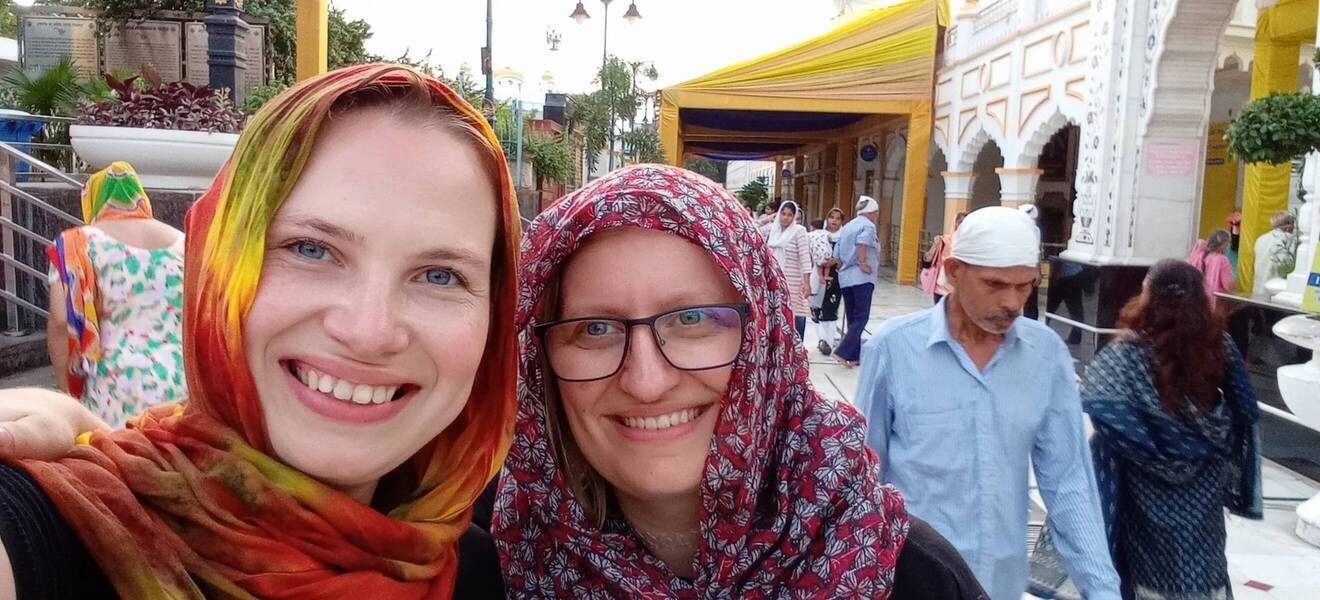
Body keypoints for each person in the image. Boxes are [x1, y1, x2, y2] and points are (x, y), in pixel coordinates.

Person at [0, 64, 518, 599]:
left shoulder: (465, 566)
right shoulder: (64, 532)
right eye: (310, 249)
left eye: (440, 275)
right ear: (218, 265)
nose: (370, 331)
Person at [495, 165, 911, 596]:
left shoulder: (911, 574)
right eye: (595, 329)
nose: (646, 383)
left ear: (764, 339)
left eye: (692, 318)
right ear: (540, 360)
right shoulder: (484, 562)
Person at [855, 206, 1121, 600]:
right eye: (995, 284)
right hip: (911, 581)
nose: (1013, 302)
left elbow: (1068, 482)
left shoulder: (1045, 354)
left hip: (999, 584)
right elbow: (862, 477)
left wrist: (1102, 591)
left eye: (1025, 286)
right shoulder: (894, 349)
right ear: (953, 271)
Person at [1076, 259, 1261, 600]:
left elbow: (1098, 405)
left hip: (1143, 481)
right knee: (1202, 556)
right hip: (1205, 479)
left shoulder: (1127, 352)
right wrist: (1215, 435)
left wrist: (1136, 439)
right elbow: (1246, 409)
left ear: (1148, 295)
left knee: (1149, 562)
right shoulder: (1219, 344)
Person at [45, 162, 186, 428]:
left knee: (117, 465)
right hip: (181, 384)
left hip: (114, 387)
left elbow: (61, 322)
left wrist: (68, 395)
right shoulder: (185, 243)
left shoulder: (76, 244)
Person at [833, 195, 881, 367]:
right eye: (876, 213)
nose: (876, 216)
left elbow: (837, 251)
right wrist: (862, 262)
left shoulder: (848, 226)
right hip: (862, 278)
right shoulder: (868, 225)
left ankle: (853, 357)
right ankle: (841, 351)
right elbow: (863, 243)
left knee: (853, 318)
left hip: (846, 278)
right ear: (872, 213)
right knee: (861, 317)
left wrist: (841, 265)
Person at [761, 200, 813, 341]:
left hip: (793, 282)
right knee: (776, 315)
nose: (786, 217)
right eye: (783, 214)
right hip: (774, 281)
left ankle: (798, 348)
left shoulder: (799, 231)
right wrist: (767, 219)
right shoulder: (772, 230)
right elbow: (751, 227)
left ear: (794, 217)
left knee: (796, 314)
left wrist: (806, 282)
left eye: (790, 215)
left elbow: (805, 258)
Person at [808, 208, 845, 355]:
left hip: (835, 277)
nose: (834, 221)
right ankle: (821, 339)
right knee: (816, 307)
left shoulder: (843, 238)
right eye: (831, 217)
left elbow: (847, 256)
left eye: (838, 218)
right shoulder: (818, 236)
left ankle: (829, 341)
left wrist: (835, 261)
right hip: (817, 275)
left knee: (831, 307)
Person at [925, 212, 967, 305]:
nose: (962, 225)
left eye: (965, 222)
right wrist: (935, 246)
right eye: (960, 222)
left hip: (962, 291)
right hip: (942, 288)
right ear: (955, 224)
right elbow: (926, 262)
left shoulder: (971, 245)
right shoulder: (943, 240)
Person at [1252, 210, 1296, 296]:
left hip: (1258, 289)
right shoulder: (1291, 240)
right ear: (1289, 225)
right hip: (1279, 292)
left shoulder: (1261, 239)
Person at [1188, 228, 1235, 303]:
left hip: (1196, 299)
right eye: (1229, 242)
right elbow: (1229, 286)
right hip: (1215, 302)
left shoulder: (1197, 256)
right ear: (1223, 244)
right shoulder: (1222, 260)